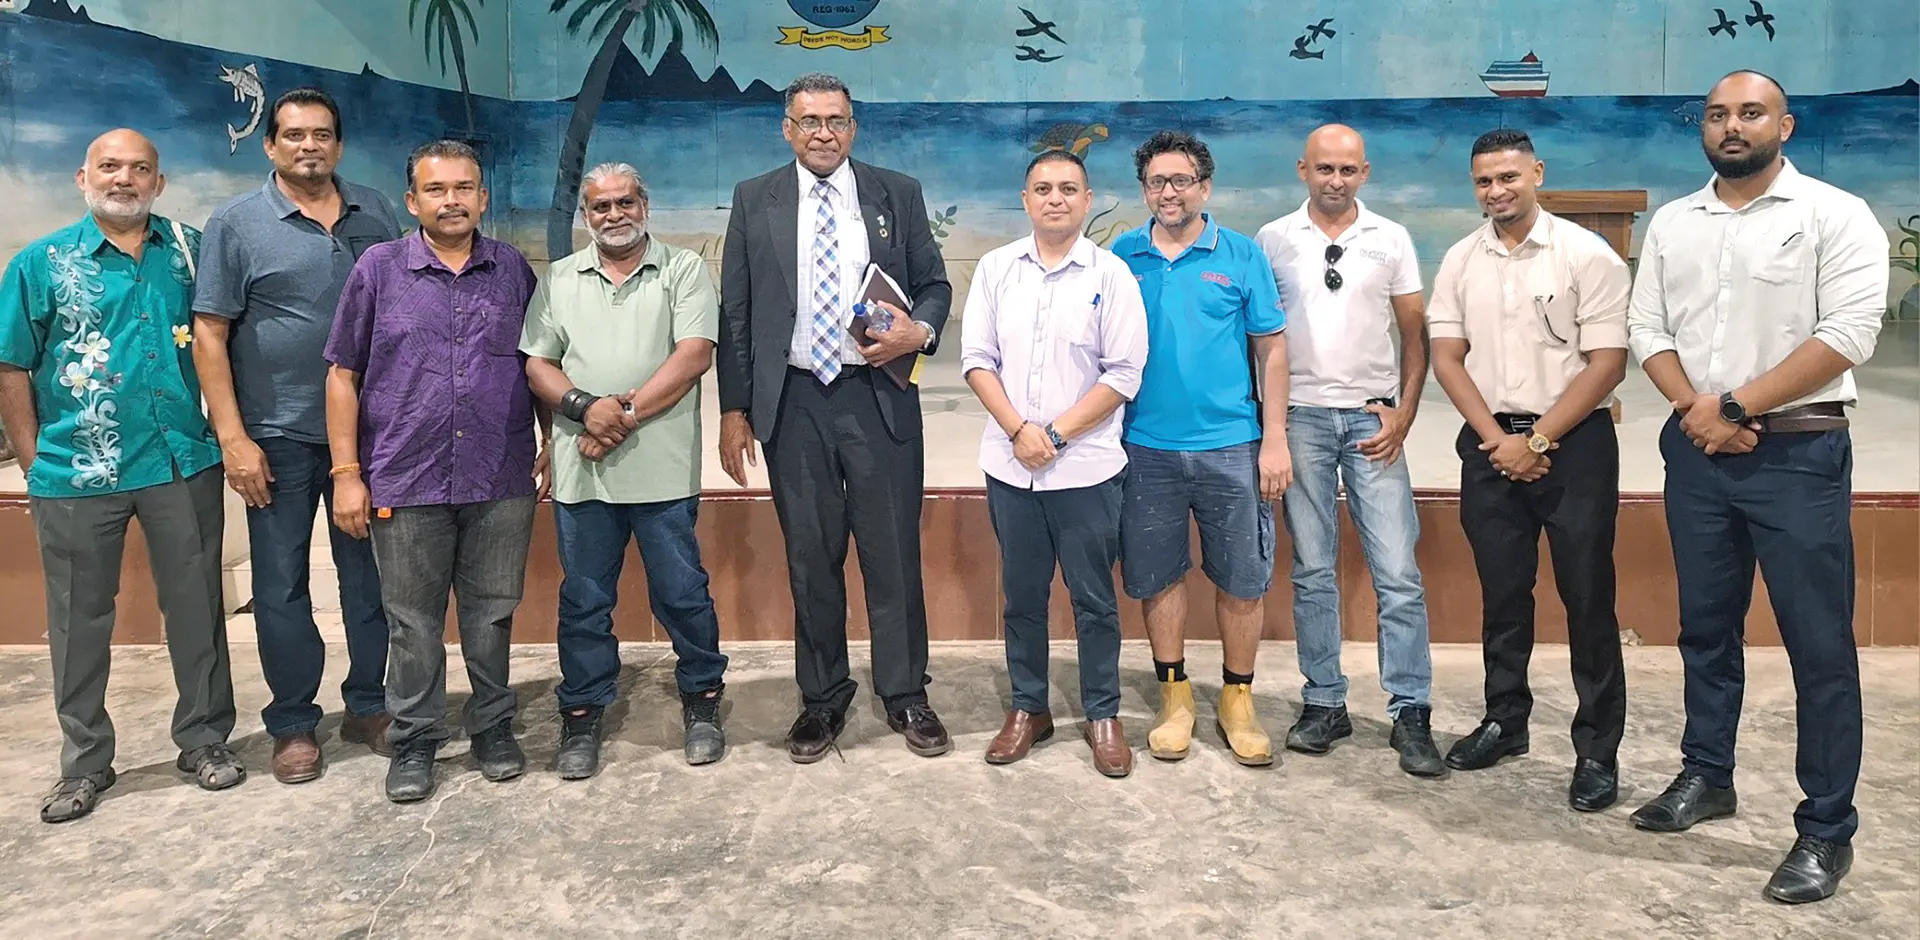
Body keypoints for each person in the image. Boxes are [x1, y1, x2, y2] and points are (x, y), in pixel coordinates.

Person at [1625, 71, 1887, 904]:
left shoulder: (1834, 215)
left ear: (1786, 124)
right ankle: (1708, 775)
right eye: (1716, 114)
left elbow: (1848, 333)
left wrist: (1735, 405)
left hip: (1798, 454)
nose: (1731, 126)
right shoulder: (1674, 221)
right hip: (1696, 451)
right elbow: (1647, 328)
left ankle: (1825, 830)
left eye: (1749, 113)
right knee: (1705, 628)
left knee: (1819, 647)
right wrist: (1697, 412)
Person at [0, 129, 245, 823]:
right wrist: (31, 458)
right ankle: (84, 763)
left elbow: (224, 343)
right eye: (110, 167)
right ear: (84, 177)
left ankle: (204, 741)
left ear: (159, 183)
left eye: (141, 169)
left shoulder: (196, 253)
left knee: (197, 608)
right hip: (76, 472)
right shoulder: (41, 263)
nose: (125, 179)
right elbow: (10, 362)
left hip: (181, 462)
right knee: (79, 621)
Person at [716, 72, 954, 763]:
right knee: (809, 560)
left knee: (892, 555)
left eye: (837, 120)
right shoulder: (754, 198)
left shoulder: (895, 195)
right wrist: (736, 411)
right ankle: (822, 699)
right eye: (810, 120)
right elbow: (736, 313)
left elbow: (934, 284)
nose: (824, 132)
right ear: (786, 128)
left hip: (877, 395)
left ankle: (906, 692)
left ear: (854, 127)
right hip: (793, 404)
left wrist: (923, 332)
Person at [323, 139, 548, 803]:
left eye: (464, 188)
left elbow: (538, 362)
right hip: (404, 474)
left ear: (483, 197)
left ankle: (493, 727)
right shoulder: (378, 270)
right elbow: (343, 373)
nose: (452, 200)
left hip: (497, 472)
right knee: (413, 622)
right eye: (437, 189)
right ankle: (416, 738)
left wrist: (552, 439)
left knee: (492, 614)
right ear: (412, 200)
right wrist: (346, 471)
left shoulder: (512, 270)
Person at [191, 87, 401, 784]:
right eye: (294, 135)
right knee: (280, 585)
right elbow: (211, 336)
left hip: (370, 436)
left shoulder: (377, 211)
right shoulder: (237, 224)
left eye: (321, 135)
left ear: (338, 145)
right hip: (274, 437)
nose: (308, 146)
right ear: (270, 145)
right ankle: (292, 723)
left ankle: (369, 705)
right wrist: (232, 437)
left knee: (368, 581)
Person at [1425, 129, 1631, 810]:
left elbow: (1607, 363)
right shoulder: (1460, 259)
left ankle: (1597, 751)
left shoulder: (1586, 256)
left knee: (1588, 599)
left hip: (1574, 446)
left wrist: (1537, 442)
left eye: (1509, 177)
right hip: (1489, 447)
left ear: (1537, 173)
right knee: (1504, 596)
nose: (1496, 192)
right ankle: (1505, 721)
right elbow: (1448, 356)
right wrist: (1497, 441)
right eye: (1484, 181)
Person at [522, 162, 730, 778]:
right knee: (584, 599)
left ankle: (702, 696)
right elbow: (538, 364)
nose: (614, 215)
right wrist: (587, 412)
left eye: (624, 202)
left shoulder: (685, 270)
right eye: (600, 207)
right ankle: (583, 712)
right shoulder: (559, 278)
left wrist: (621, 420)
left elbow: (693, 356)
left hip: (660, 470)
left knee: (682, 592)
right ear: (586, 216)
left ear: (645, 204)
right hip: (582, 471)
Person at [1253, 123, 1444, 776]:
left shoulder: (1390, 239)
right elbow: (1259, 339)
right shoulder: (1272, 240)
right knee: (1312, 568)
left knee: (1397, 571)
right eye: (1324, 168)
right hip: (1300, 418)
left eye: (1348, 170)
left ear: (1366, 173)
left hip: (1372, 422)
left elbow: (1415, 334)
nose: (1336, 179)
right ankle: (1324, 700)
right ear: (1302, 168)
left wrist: (1405, 412)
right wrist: (1268, 424)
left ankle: (1411, 710)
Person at [960, 149, 1149, 778]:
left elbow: (1123, 373)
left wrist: (1055, 436)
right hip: (1011, 467)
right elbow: (977, 360)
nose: (1056, 199)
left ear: (1088, 199)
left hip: (1086, 469)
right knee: (1021, 597)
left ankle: (1102, 711)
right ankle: (1027, 708)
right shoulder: (995, 269)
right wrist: (1019, 431)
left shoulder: (1112, 276)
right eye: (1043, 188)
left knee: (1095, 599)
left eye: (1069, 188)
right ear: (1025, 199)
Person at [1109, 130, 1290, 767]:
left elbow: (1272, 349)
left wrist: (1275, 440)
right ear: (1144, 189)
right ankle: (1175, 695)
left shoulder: (1241, 255)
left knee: (1243, 579)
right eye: (1157, 181)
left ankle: (1238, 699)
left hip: (1232, 446)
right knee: (1158, 577)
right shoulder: (1122, 255)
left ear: (1204, 188)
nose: (1168, 191)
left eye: (1180, 180)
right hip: (1145, 447)